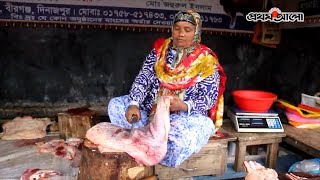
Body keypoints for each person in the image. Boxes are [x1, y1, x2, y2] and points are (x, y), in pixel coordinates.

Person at [108, 10, 226, 168]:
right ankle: (147, 140)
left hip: (184, 117)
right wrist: (134, 103)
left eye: (187, 30)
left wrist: (183, 105)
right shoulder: (160, 52)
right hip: (151, 112)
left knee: (184, 138)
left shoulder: (206, 61)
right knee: (116, 106)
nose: (181, 34)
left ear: (196, 32)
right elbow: (143, 79)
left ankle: (151, 150)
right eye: (177, 28)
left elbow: (209, 98)